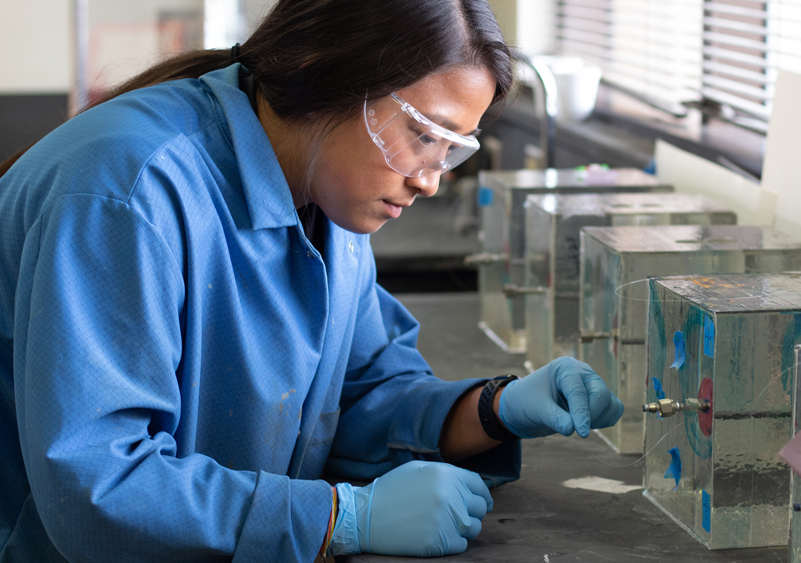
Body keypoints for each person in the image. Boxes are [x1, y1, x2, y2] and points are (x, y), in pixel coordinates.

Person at [0, 0, 625, 561]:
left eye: (452, 150)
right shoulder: (126, 191)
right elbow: (96, 486)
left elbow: (354, 399)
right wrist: (338, 520)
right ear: (322, 69)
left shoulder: (332, 198)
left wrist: (492, 410)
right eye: (423, 136)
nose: (431, 179)